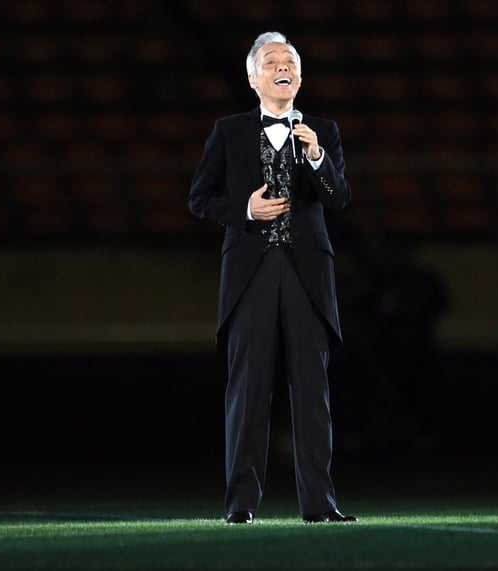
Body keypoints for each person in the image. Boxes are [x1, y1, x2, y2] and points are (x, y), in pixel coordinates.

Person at [188, 31, 355, 525]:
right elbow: (199, 198)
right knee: (248, 390)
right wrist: (245, 209)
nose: (283, 66)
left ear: (299, 76)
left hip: (307, 273)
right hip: (251, 274)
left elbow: (338, 198)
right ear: (253, 77)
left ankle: (320, 506)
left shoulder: (321, 130)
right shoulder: (229, 130)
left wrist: (318, 157)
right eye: (272, 61)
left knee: (312, 392)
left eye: (290, 61)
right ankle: (241, 505)